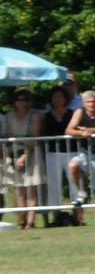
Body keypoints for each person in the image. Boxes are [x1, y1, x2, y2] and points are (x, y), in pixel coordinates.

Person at [65, 89, 95, 223]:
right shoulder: (79, 112)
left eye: (93, 102)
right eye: (88, 102)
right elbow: (68, 130)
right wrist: (80, 134)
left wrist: (89, 130)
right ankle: (82, 192)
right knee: (73, 165)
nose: (91, 105)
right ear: (83, 103)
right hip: (85, 152)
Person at [1, 87, 44, 227]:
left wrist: (24, 154)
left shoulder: (35, 117)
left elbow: (35, 139)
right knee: (19, 190)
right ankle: (21, 220)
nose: (21, 102)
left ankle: (30, 221)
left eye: (24, 99)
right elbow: (9, 135)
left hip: (32, 153)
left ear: (28, 101)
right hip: (14, 153)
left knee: (32, 188)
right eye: (18, 99)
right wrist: (22, 144)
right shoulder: (9, 116)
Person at [40, 86, 77, 215]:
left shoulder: (72, 113)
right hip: (52, 153)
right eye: (55, 96)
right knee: (54, 184)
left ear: (65, 98)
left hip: (72, 152)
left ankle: (78, 215)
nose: (57, 99)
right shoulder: (46, 116)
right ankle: (57, 214)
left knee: (75, 183)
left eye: (60, 96)